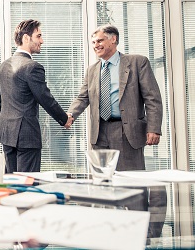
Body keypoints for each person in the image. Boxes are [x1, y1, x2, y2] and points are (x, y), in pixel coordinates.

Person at [68, 24, 162, 171]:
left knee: (131, 181)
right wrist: (69, 115)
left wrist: (154, 128)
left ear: (113, 39)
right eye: (93, 42)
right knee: (102, 181)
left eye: (99, 41)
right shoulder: (92, 70)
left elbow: (152, 98)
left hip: (127, 132)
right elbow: (83, 97)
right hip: (100, 132)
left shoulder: (137, 62)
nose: (96, 45)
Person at [0, 19, 73, 173]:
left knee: (13, 183)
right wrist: (64, 119)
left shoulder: (3, 66)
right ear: (26, 38)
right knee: (27, 184)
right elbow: (45, 98)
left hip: (7, 133)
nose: (42, 41)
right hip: (26, 134)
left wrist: (6, 122)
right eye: (38, 36)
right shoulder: (32, 67)